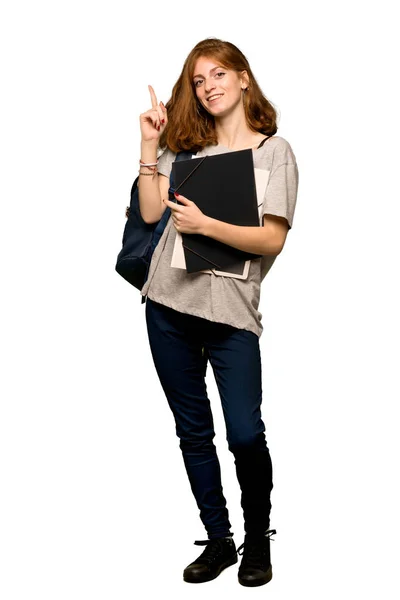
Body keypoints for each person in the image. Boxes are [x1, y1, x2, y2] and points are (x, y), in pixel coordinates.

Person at [136, 37, 299, 587]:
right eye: (198, 80)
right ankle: (221, 540)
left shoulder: (275, 153)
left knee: (245, 433)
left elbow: (271, 239)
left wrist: (206, 226)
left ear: (244, 77)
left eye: (218, 74)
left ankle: (258, 541)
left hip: (231, 315)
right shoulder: (187, 152)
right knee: (193, 432)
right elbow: (151, 208)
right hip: (167, 305)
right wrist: (148, 143)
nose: (208, 86)